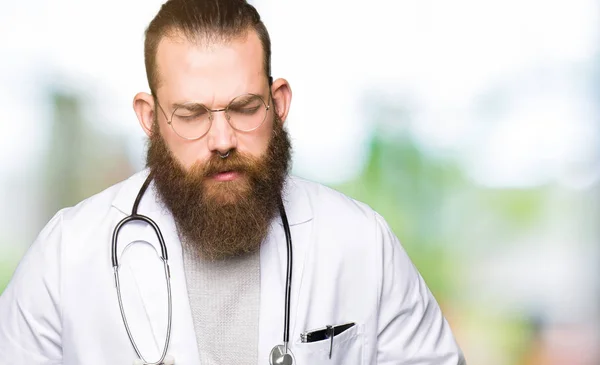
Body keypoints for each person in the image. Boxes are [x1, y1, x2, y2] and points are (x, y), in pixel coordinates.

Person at [0, 0, 466, 364]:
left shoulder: (363, 245)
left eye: (244, 108)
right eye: (191, 114)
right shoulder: (65, 256)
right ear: (149, 118)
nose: (222, 140)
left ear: (278, 103)